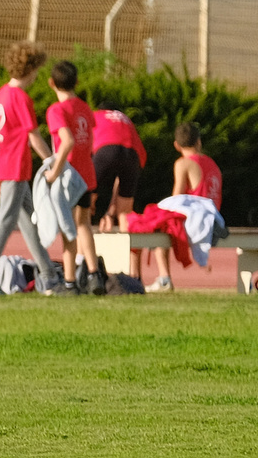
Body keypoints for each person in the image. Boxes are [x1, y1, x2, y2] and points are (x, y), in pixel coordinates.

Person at [0, 43, 55, 296]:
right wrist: (53, 161)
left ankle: (49, 276)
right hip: (15, 168)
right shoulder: (21, 98)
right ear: (30, 69)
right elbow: (34, 136)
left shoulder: (1, 94)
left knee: (29, 222)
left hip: (4, 168)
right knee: (5, 222)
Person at [143, 121, 223, 291]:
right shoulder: (212, 163)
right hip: (215, 218)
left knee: (160, 225)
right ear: (199, 141)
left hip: (197, 220)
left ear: (176, 145)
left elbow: (177, 199)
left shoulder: (183, 163)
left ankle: (165, 278)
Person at [38, 60, 96, 294]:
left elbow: (68, 141)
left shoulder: (56, 110)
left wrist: (54, 172)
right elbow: (89, 139)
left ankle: (70, 281)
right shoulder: (84, 107)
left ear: (51, 83)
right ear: (77, 82)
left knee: (68, 228)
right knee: (84, 225)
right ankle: (94, 274)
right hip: (87, 175)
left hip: (69, 178)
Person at [82, 103, 146, 295]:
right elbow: (121, 177)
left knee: (83, 212)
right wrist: (111, 213)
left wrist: (92, 201)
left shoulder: (95, 116)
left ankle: (84, 268)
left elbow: (85, 153)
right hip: (132, 155)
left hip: (104, 150)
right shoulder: (127, 122)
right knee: (126, 216)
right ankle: (134, 276)